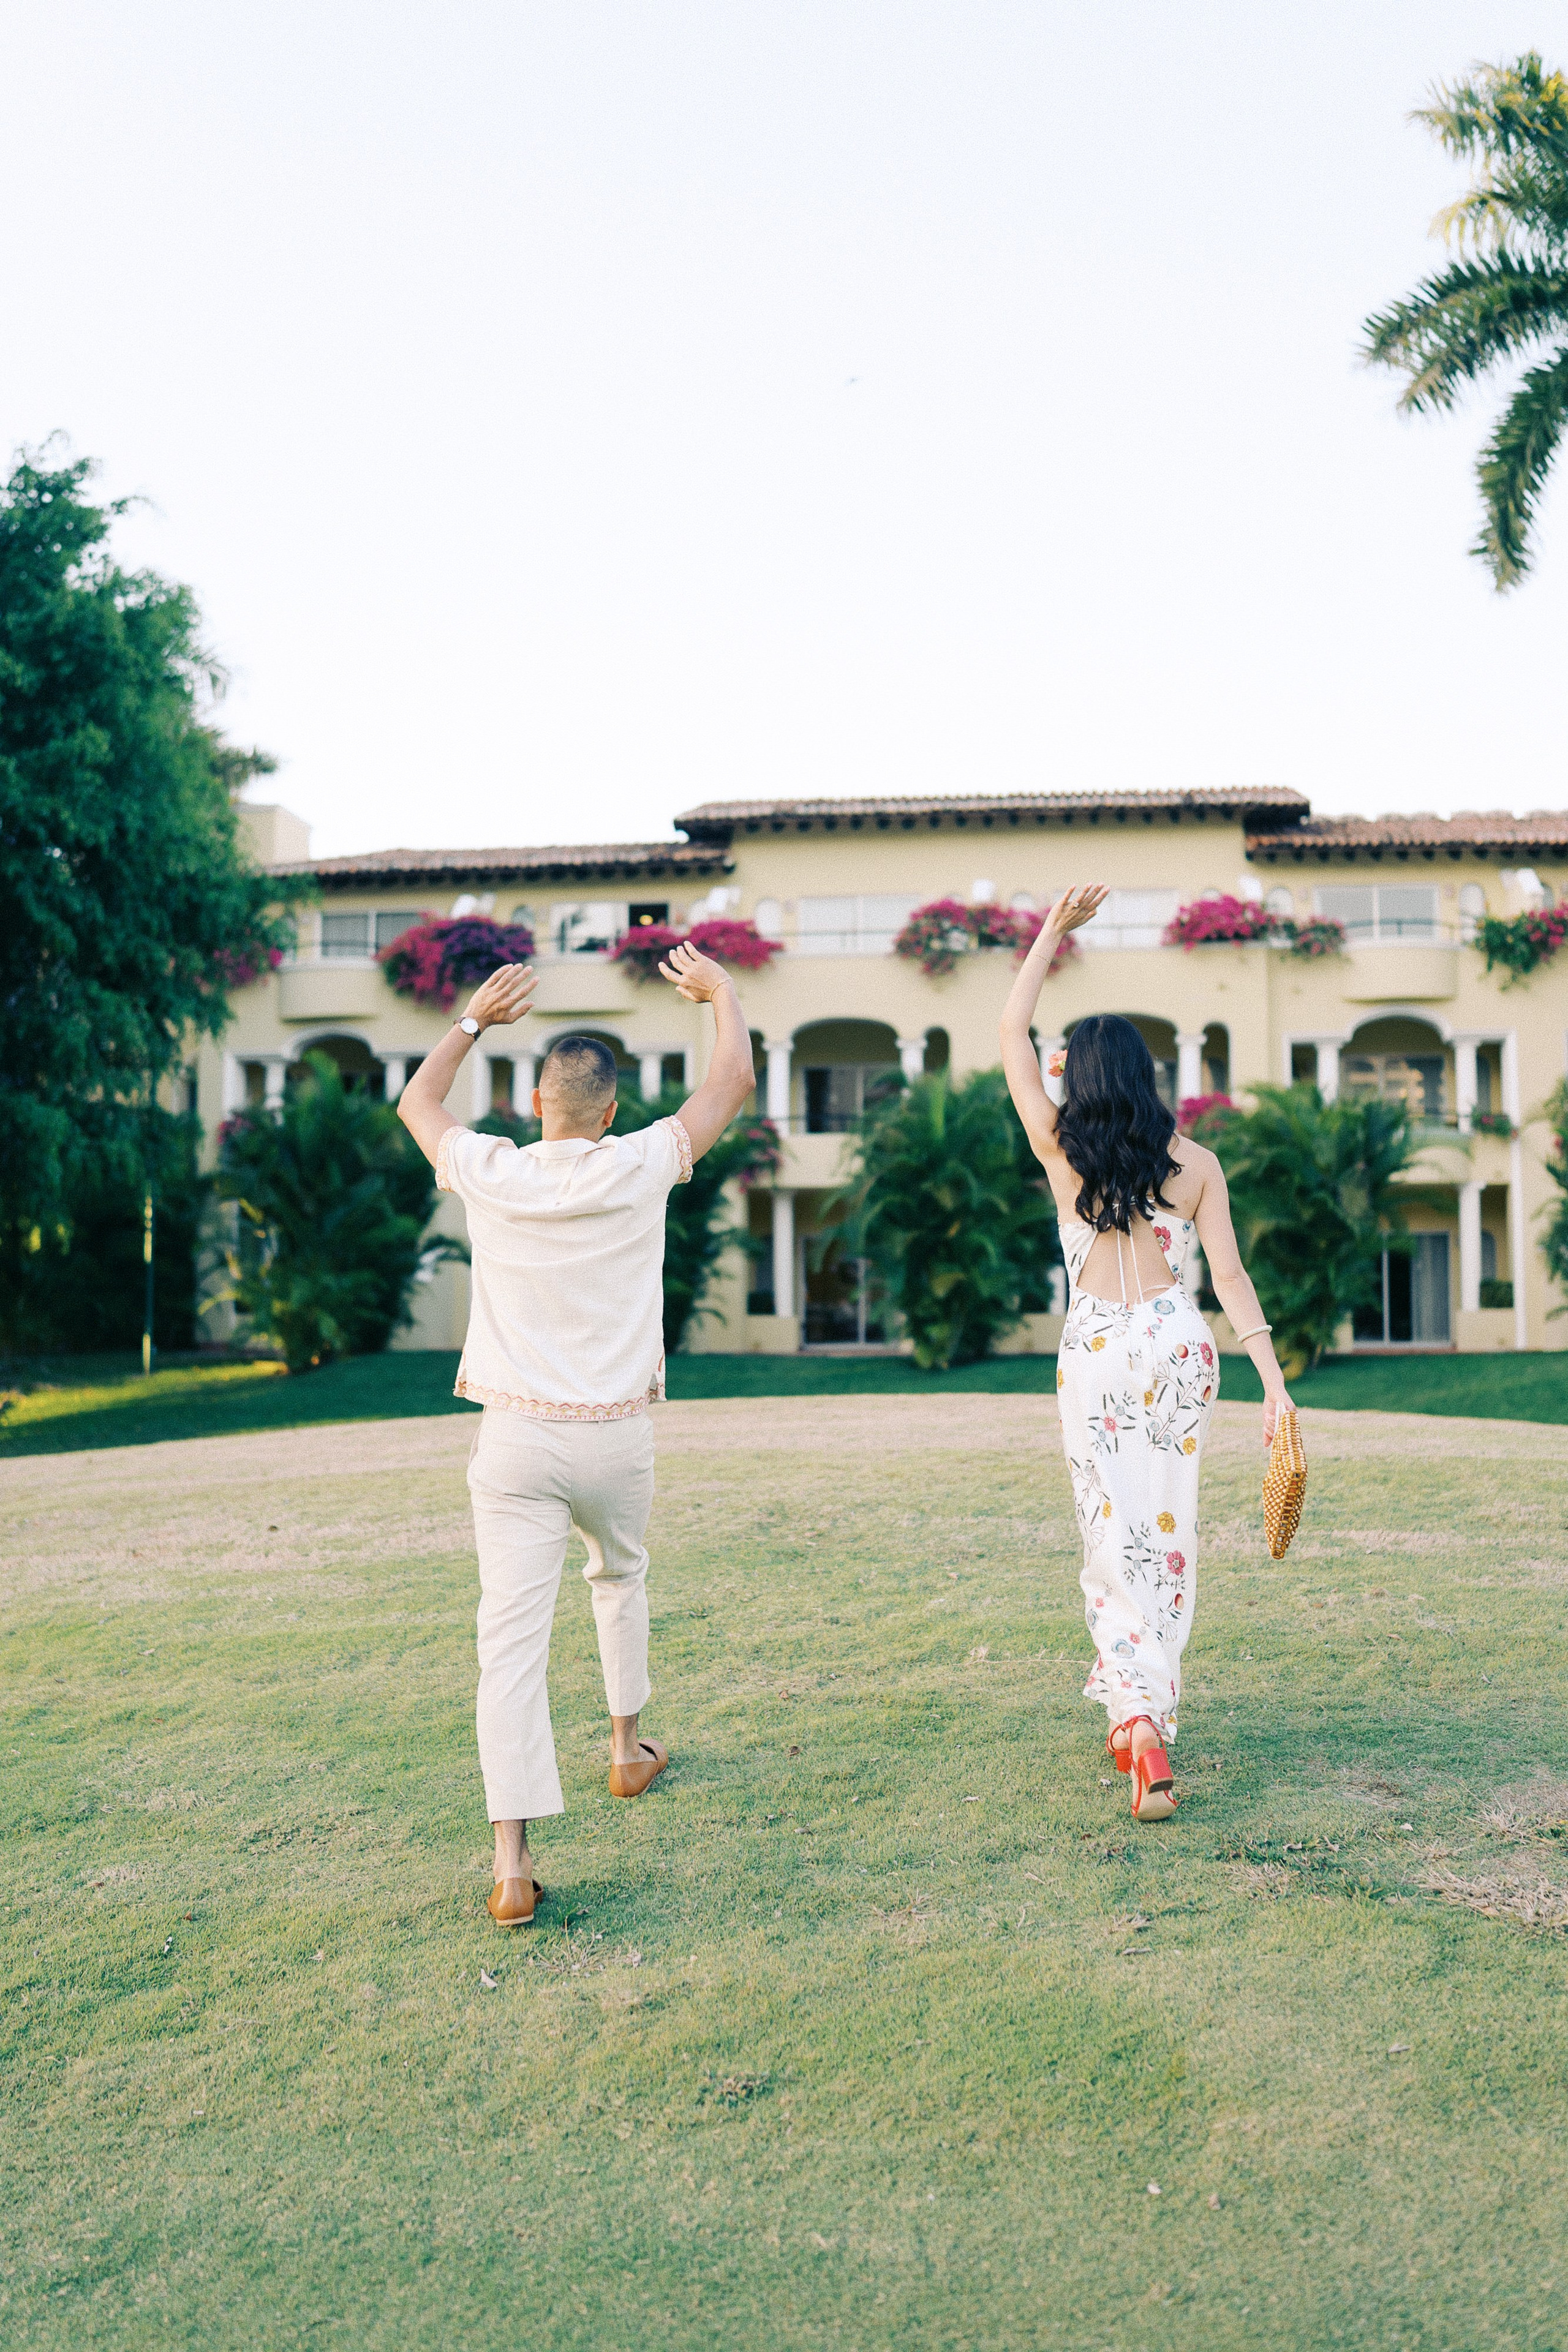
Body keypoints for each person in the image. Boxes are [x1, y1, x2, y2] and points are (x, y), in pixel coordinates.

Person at [396, 941, 757, 1924]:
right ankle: (626, 1747)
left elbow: (417, 1105)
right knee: (621, 1575)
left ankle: (512, 1864)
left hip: (513, 1442)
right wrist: (720, 991)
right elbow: (733, 1081)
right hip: (614, 1435)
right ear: (607, 1111)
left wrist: (473, 1020)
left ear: (539, 1107)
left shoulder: (492, 1171)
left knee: (508, 1644)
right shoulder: (639, 1161)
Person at [999, 886, 1294, 1822]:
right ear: (1146, 1076)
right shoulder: (1194, 1163)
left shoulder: (1060, 1146)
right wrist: (1276, 1384)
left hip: (1095, 1344)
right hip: (1177, 1343)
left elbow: (1010, 1030)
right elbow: (1235, 1280)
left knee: (1107, 1526)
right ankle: (1146, 1708)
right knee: (1167, 1534)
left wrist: (1052, 933)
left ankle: (1136, 1721)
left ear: (1078, 1077)